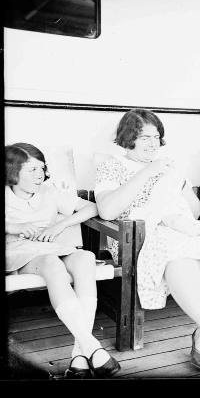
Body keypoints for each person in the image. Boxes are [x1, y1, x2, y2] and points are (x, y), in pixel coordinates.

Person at [94, 109, 200, 376]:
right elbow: (108, 211)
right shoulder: (112, 165)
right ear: (128, 138)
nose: (153, 143)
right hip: (139, 237)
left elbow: (190, 212)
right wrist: (148, 173)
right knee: (178, 260)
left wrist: (180, 188)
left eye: (156, 137)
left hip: (178, 230)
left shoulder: (168, 166)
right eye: (144, 137)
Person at [5, 143, 120, 379]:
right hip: (19, 251)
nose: (41, 175)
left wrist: (61, 224)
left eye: (42, 168)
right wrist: (14, 227)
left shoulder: (49, 192)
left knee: (86, 258)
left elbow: (92, 207)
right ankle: (92, 347)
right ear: (12, 171)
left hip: (51, 247)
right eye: (32, 170)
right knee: (53, 264)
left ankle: (81, 354)